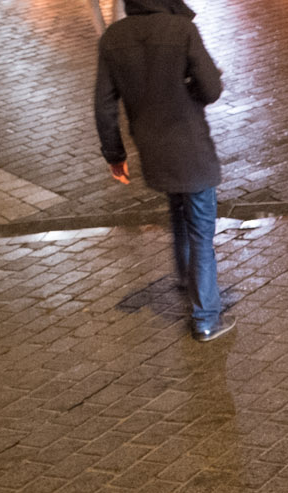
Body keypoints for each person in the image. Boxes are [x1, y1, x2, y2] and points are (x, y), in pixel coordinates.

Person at [94, 0, 234, 341]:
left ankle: (190, 284)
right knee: (201, 226)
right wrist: (192, 93)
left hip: (152, 148)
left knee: (178, 210)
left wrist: (115, 154)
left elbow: (103, 106)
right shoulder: (181, 29)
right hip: (190, 145)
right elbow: (211, 88)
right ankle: (205, 317)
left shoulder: (113, 38)